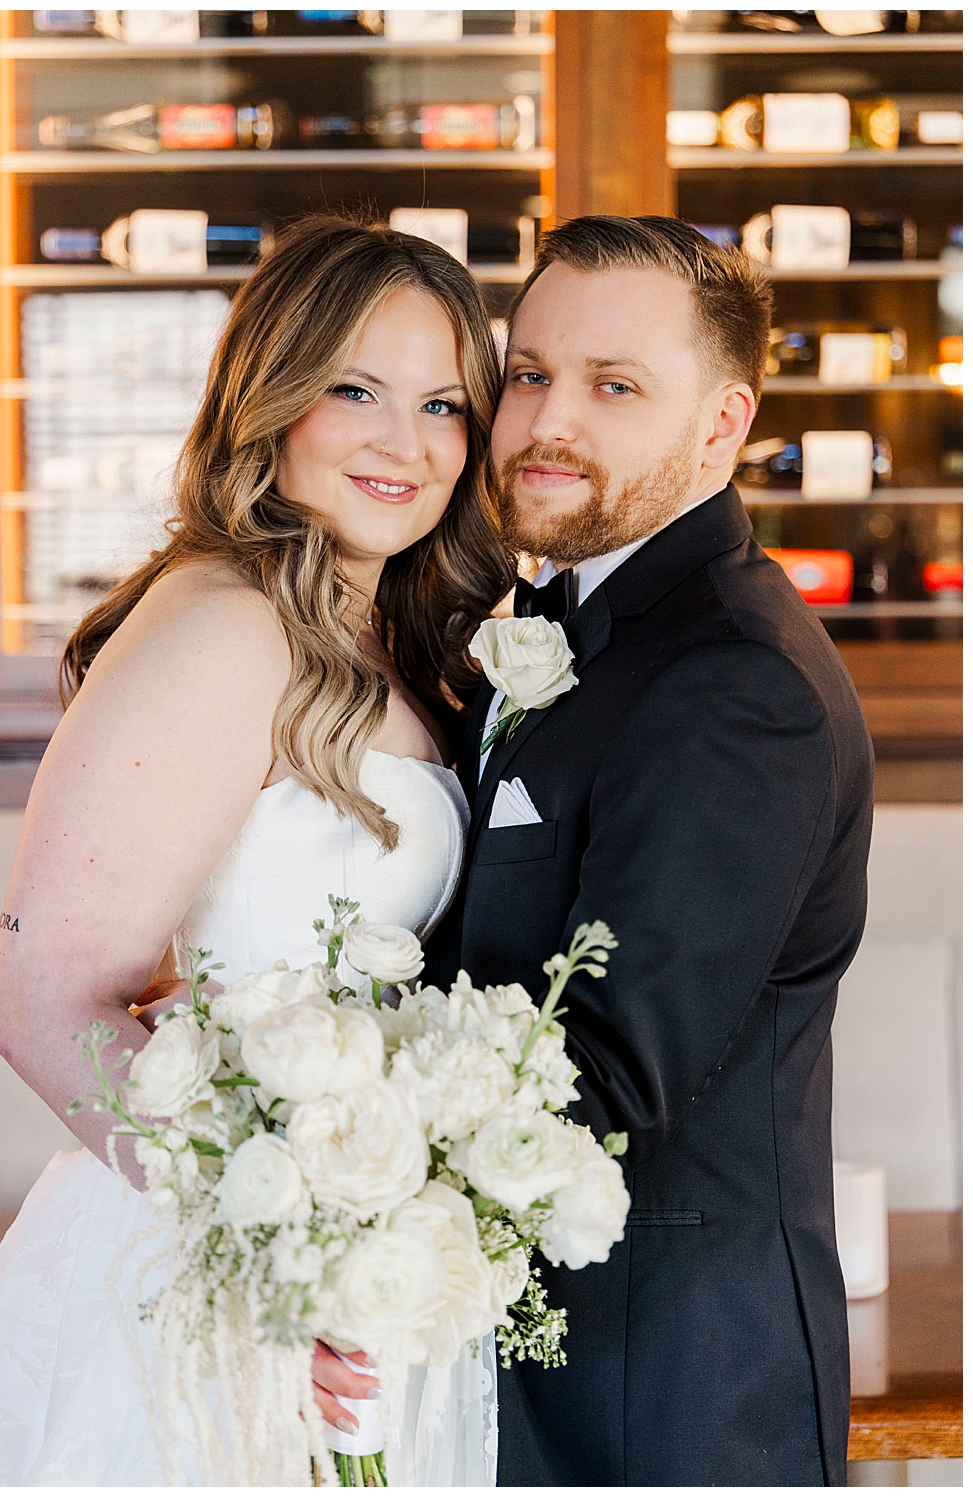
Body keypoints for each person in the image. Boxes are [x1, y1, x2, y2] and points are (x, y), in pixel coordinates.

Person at [0, 215, 517, 1484]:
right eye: (354, 391)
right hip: (220, 1268)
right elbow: (42, 1003)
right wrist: (278, 1255)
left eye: (442, 404)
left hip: (356, 1242)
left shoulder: (388, 638)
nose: (403, 443)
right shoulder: (220, 623)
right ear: (269, 396)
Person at [423, 214, 871, 1486]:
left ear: (722, 426)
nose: (545, 422)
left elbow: (607, 1072)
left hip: (665, 1395)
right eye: (527, 375)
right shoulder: (568, 619)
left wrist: (320, 1165)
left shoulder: (733, 682)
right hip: (531, 1365)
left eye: (612, 386)